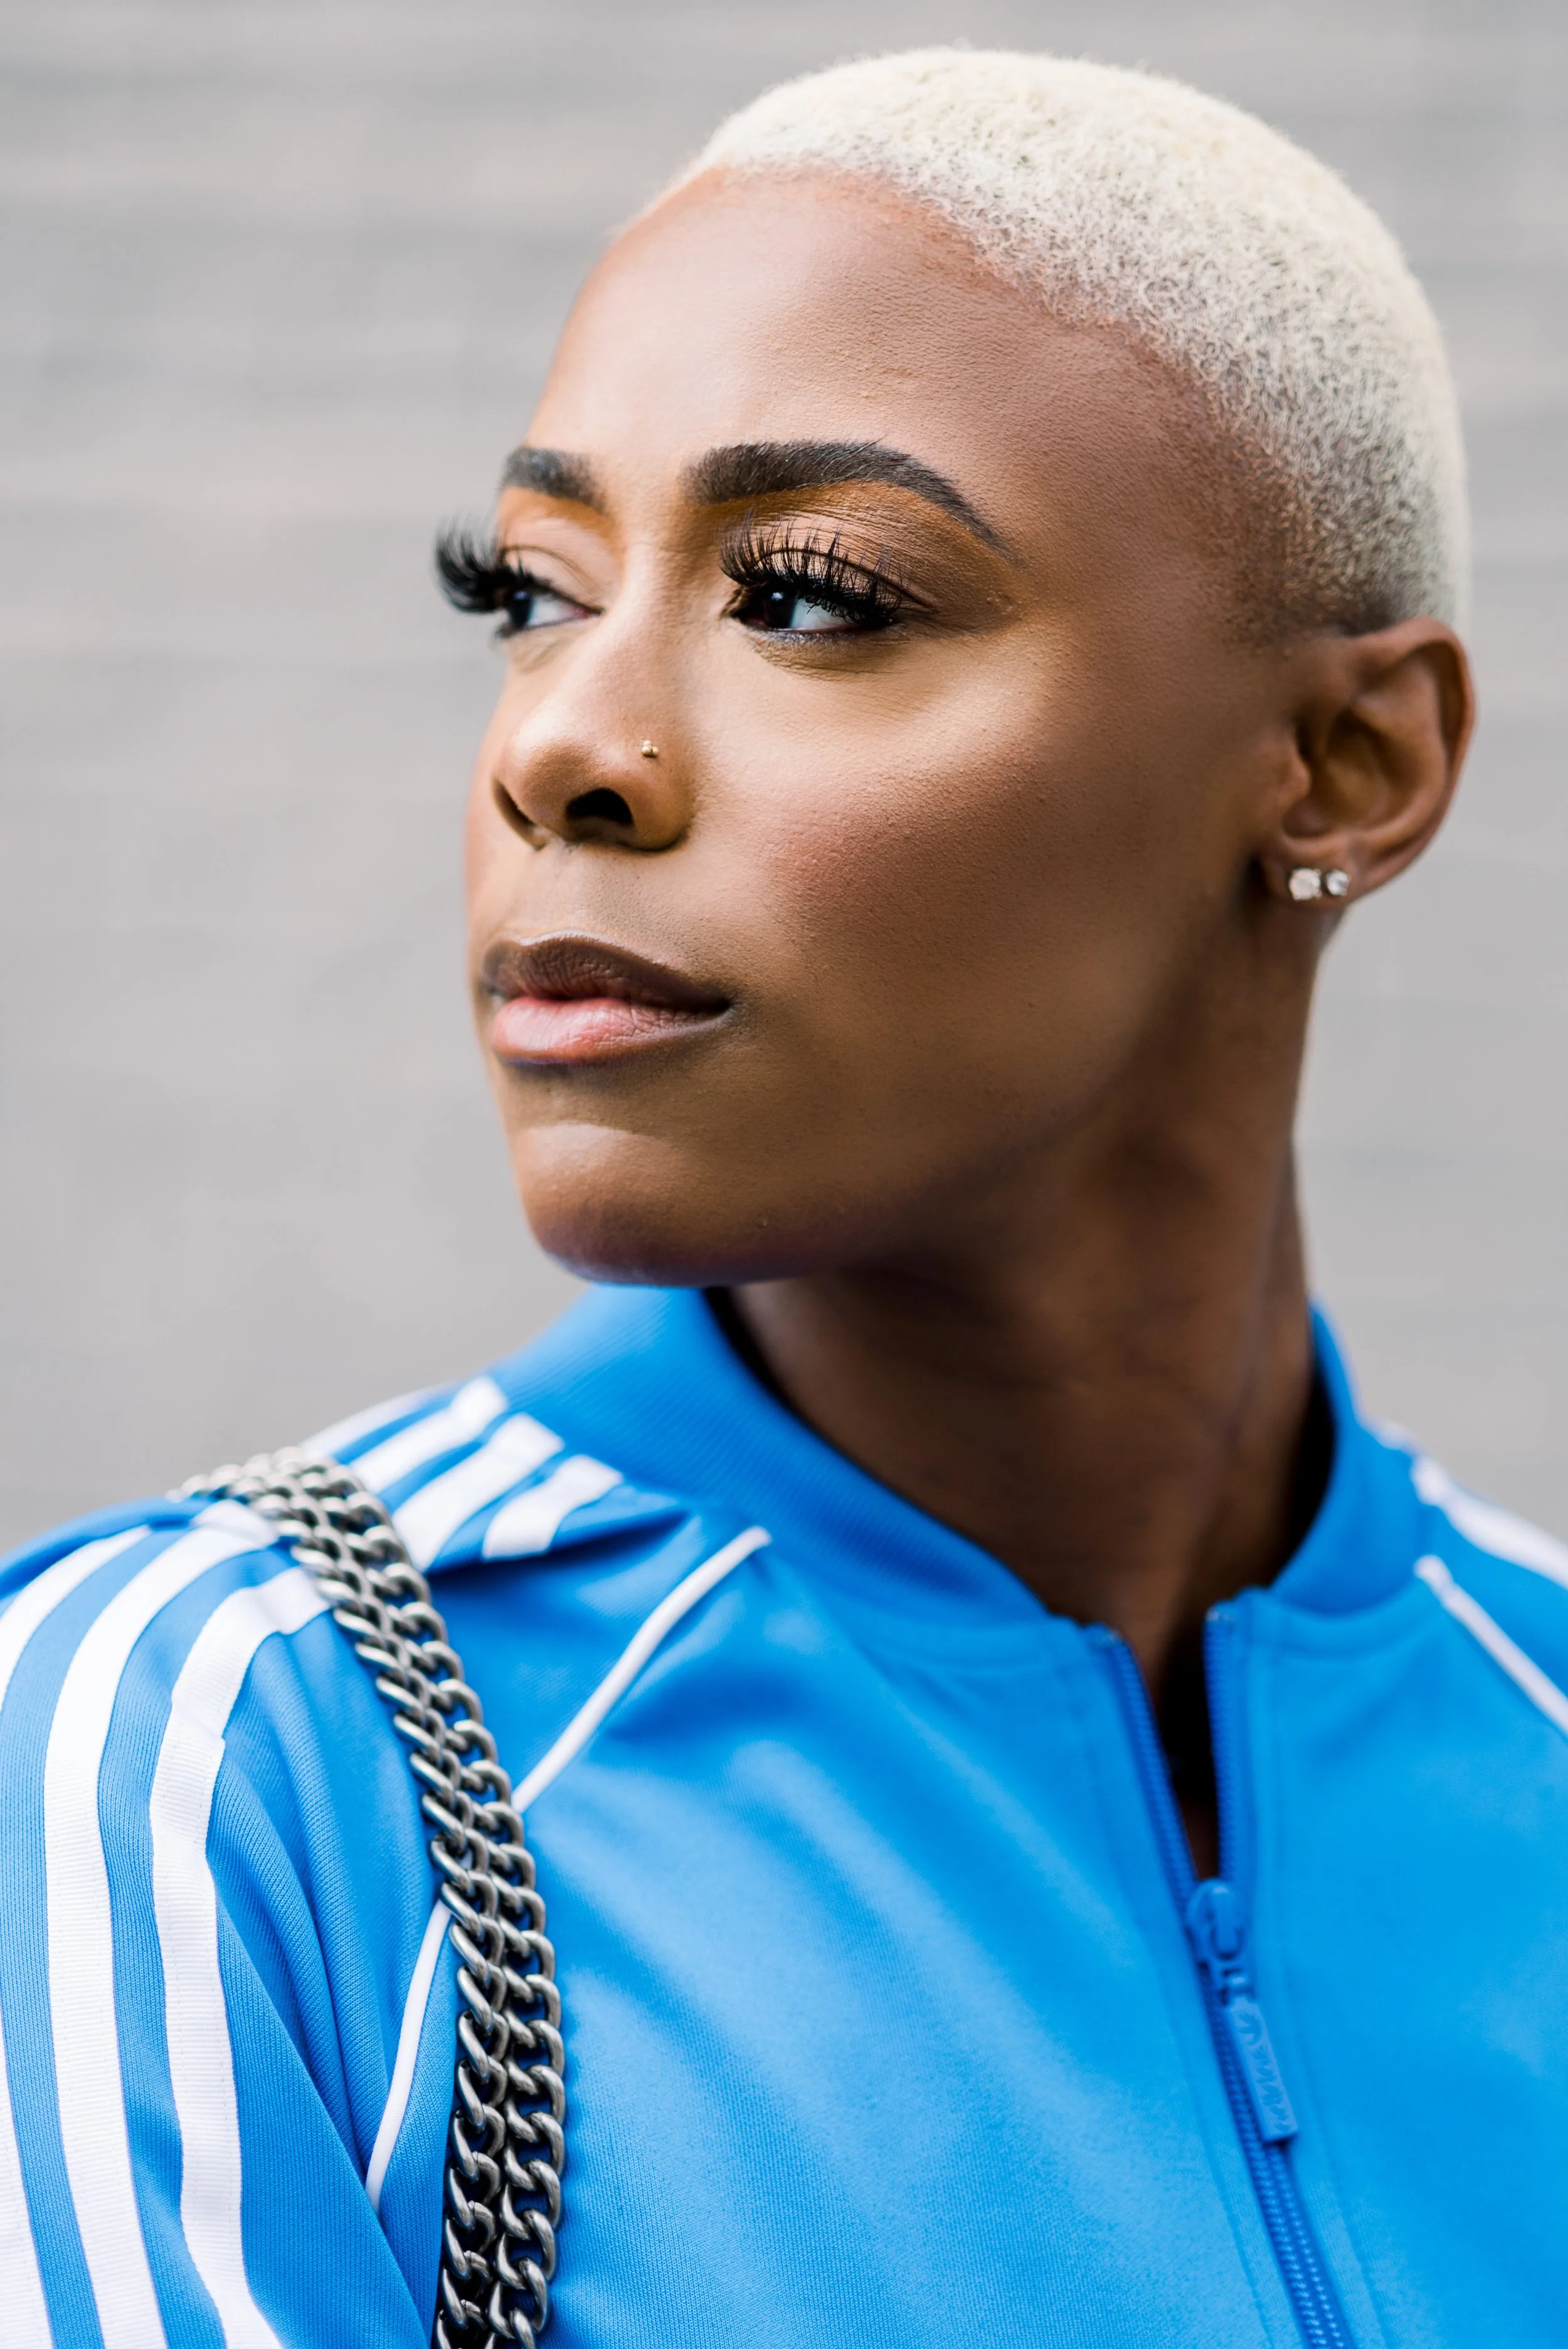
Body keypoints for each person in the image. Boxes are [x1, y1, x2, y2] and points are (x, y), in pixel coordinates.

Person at [1, 43, 1561, 2349]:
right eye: (523, 591)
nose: (559, 746)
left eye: (813, 598)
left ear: (1346, 761)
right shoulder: (230, 1761)